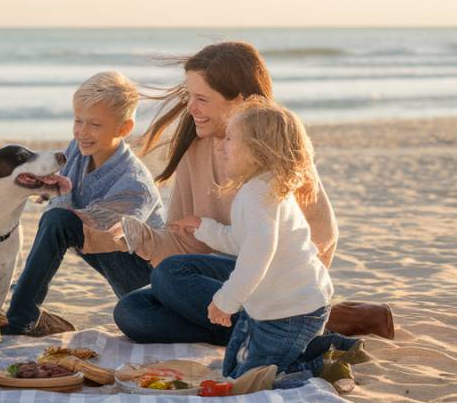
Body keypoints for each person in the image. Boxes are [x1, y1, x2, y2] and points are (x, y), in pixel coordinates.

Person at [85, 41, 342, 346]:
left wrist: (281, 300)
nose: (191, 108)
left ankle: (278, 330)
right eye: (190, 96)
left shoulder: (277, 149)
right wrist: (139, 236)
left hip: (275, 284)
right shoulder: (194, 147)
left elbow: (322, 236)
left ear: (241, 102)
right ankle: (254, 333)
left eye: (202, 99)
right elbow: (184, 242)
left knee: (168, 276)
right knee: (132, 312)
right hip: (216, 284)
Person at [122, 99, 361, 383]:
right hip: (273, 306)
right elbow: (241, 242)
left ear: (259, 150)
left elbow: (258, 252)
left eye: (230, 139)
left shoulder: (258, 196)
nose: (220, 146)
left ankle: (323, 366)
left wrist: (226, 300)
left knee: (250, 379)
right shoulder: (258, 188)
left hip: (290, 311)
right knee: (230, 371)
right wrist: (204, 228)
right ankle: (328, 346)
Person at [0, 71, 165, 336]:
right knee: (55, 220)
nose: (82, 132)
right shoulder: (78, 149)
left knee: (59, 221)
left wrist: (60, 193)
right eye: (78, 121)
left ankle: (19, 321)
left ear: (124, 129)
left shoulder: (135, 186)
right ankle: (25, 313)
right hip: (102, 248)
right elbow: (56, 206)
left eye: (95, 125)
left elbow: (87, 229)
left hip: (149, 282)